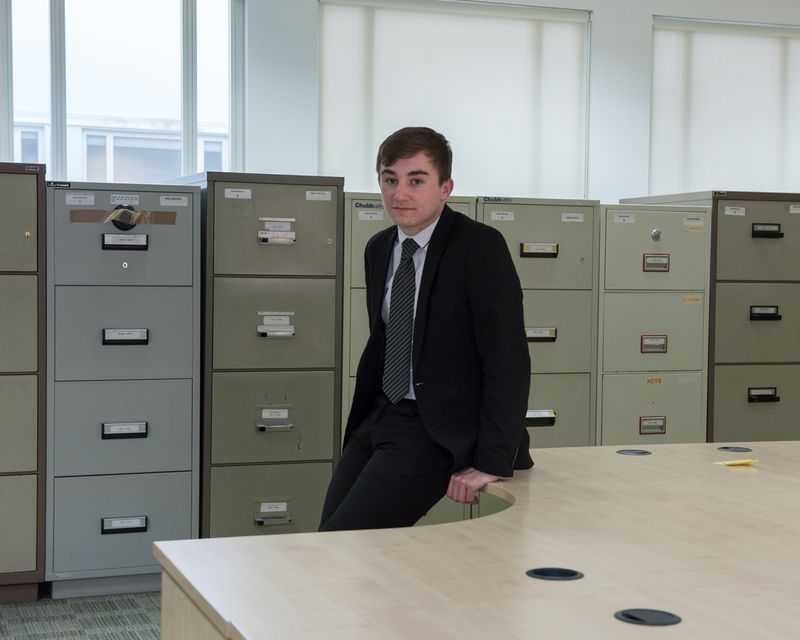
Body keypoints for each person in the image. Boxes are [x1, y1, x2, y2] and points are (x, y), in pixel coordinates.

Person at [319, 126, 532, 531]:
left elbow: (508, 361)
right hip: (381, 415)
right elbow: (386, 340)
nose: (401, 194)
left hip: (437, 431)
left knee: (344, 540)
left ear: (445, 187)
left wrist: (490, 461)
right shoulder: (380, 248)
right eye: (390, 179)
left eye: (417, 180)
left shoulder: (479, 247)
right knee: (327, 537)